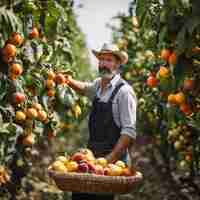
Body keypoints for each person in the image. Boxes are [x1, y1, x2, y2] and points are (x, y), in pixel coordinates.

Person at [66, 43, 137, 200]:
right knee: (80, 195)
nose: (104, 63)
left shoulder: (124, 92)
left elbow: (129, 132)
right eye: (102, 59)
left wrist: (108, 159)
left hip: (111, 160)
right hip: (92, 154)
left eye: (109, 60)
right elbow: (85, 88)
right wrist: (68, 81)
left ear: (117, 64)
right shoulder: (99, 84)